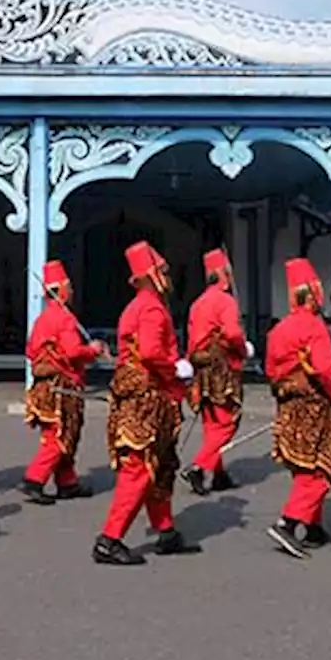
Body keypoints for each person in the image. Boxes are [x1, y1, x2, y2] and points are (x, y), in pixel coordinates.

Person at [95, 240, 202, 565]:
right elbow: (152, 352)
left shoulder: (138, 306)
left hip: (146, 398)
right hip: (148, 399)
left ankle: (165, 530)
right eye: (165, 271)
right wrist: (176, 368)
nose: (169, 277)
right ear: (152, 275)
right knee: (140, 469)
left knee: (161, 467)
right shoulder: (153, 309)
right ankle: (109, 539)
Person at [264, 258, 331, 559]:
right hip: (317, 406)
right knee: (321, 467)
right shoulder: (313, 327)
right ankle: (288, 523)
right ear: (312, 294)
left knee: (303, 466)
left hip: (289, 407)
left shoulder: (279, 329)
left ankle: (314, 526)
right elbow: (326, 370)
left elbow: (271, 370)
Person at [19, 260, 106, 505]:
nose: (73, 291)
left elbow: (30, 351)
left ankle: (67, 482)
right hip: (62, 386)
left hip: (44, 385)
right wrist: (92, 349)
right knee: (59, 435)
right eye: (69, 286)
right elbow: (72, 351)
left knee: (65, 434)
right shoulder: (64, 319)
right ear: (62, 291)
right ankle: (34, 479)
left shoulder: (43, 319)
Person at [182, 248, 252, 496]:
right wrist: (243, 349)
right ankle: (200, 467)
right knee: (227, 422)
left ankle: (218, 473)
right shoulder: (225, 301)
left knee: (212, 421)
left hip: (201, 367)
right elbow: (232, 333)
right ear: (223, 274)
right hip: (221, 366)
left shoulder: (197, 303)